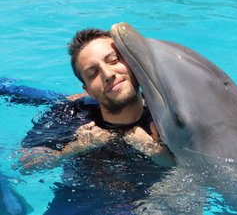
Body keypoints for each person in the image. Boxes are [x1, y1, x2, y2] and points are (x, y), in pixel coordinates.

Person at [18, 28, 175, 173]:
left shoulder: (164, 114)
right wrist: (74, 148)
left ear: (131, 64)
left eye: (113, 60)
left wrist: (156, 153)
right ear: (88, 91)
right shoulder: (70, 115)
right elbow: (24, 165)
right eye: (93, 73)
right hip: (82, 197)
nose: (108, 74)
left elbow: (192, 168)